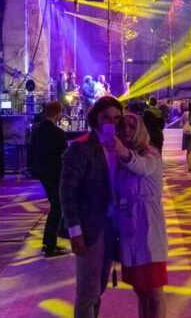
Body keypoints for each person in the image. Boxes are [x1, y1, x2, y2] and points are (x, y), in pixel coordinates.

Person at [61, 96, 123, 318]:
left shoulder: (120, 147)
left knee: (100, 286)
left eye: (117, 118)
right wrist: (75, 231)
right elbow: (67, 192)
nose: (111, 123)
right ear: (95, 118)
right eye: (106, 117)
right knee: (88, 290)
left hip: (113, 226)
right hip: (89, 227)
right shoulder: (81, 147)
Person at [109, 114, 168, 318]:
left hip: (148, 225)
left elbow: (141, 167)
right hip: (128, 227)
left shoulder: (151, 154)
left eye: (132, 126)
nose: (126, 130)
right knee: (140, 290)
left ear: (141, 129)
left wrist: (121, 151)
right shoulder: (117, 158)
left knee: (154, 291)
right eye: (122, 126)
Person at [29, 102, 69, 257]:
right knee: (57, 206)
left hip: (42, 172)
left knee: (56, 205)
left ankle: (49, 242)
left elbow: (31, 150)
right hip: (55, 173)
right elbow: (65, 155)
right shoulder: (58, 132)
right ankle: (50, 244)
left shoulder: (37, 130)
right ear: (58, 113)